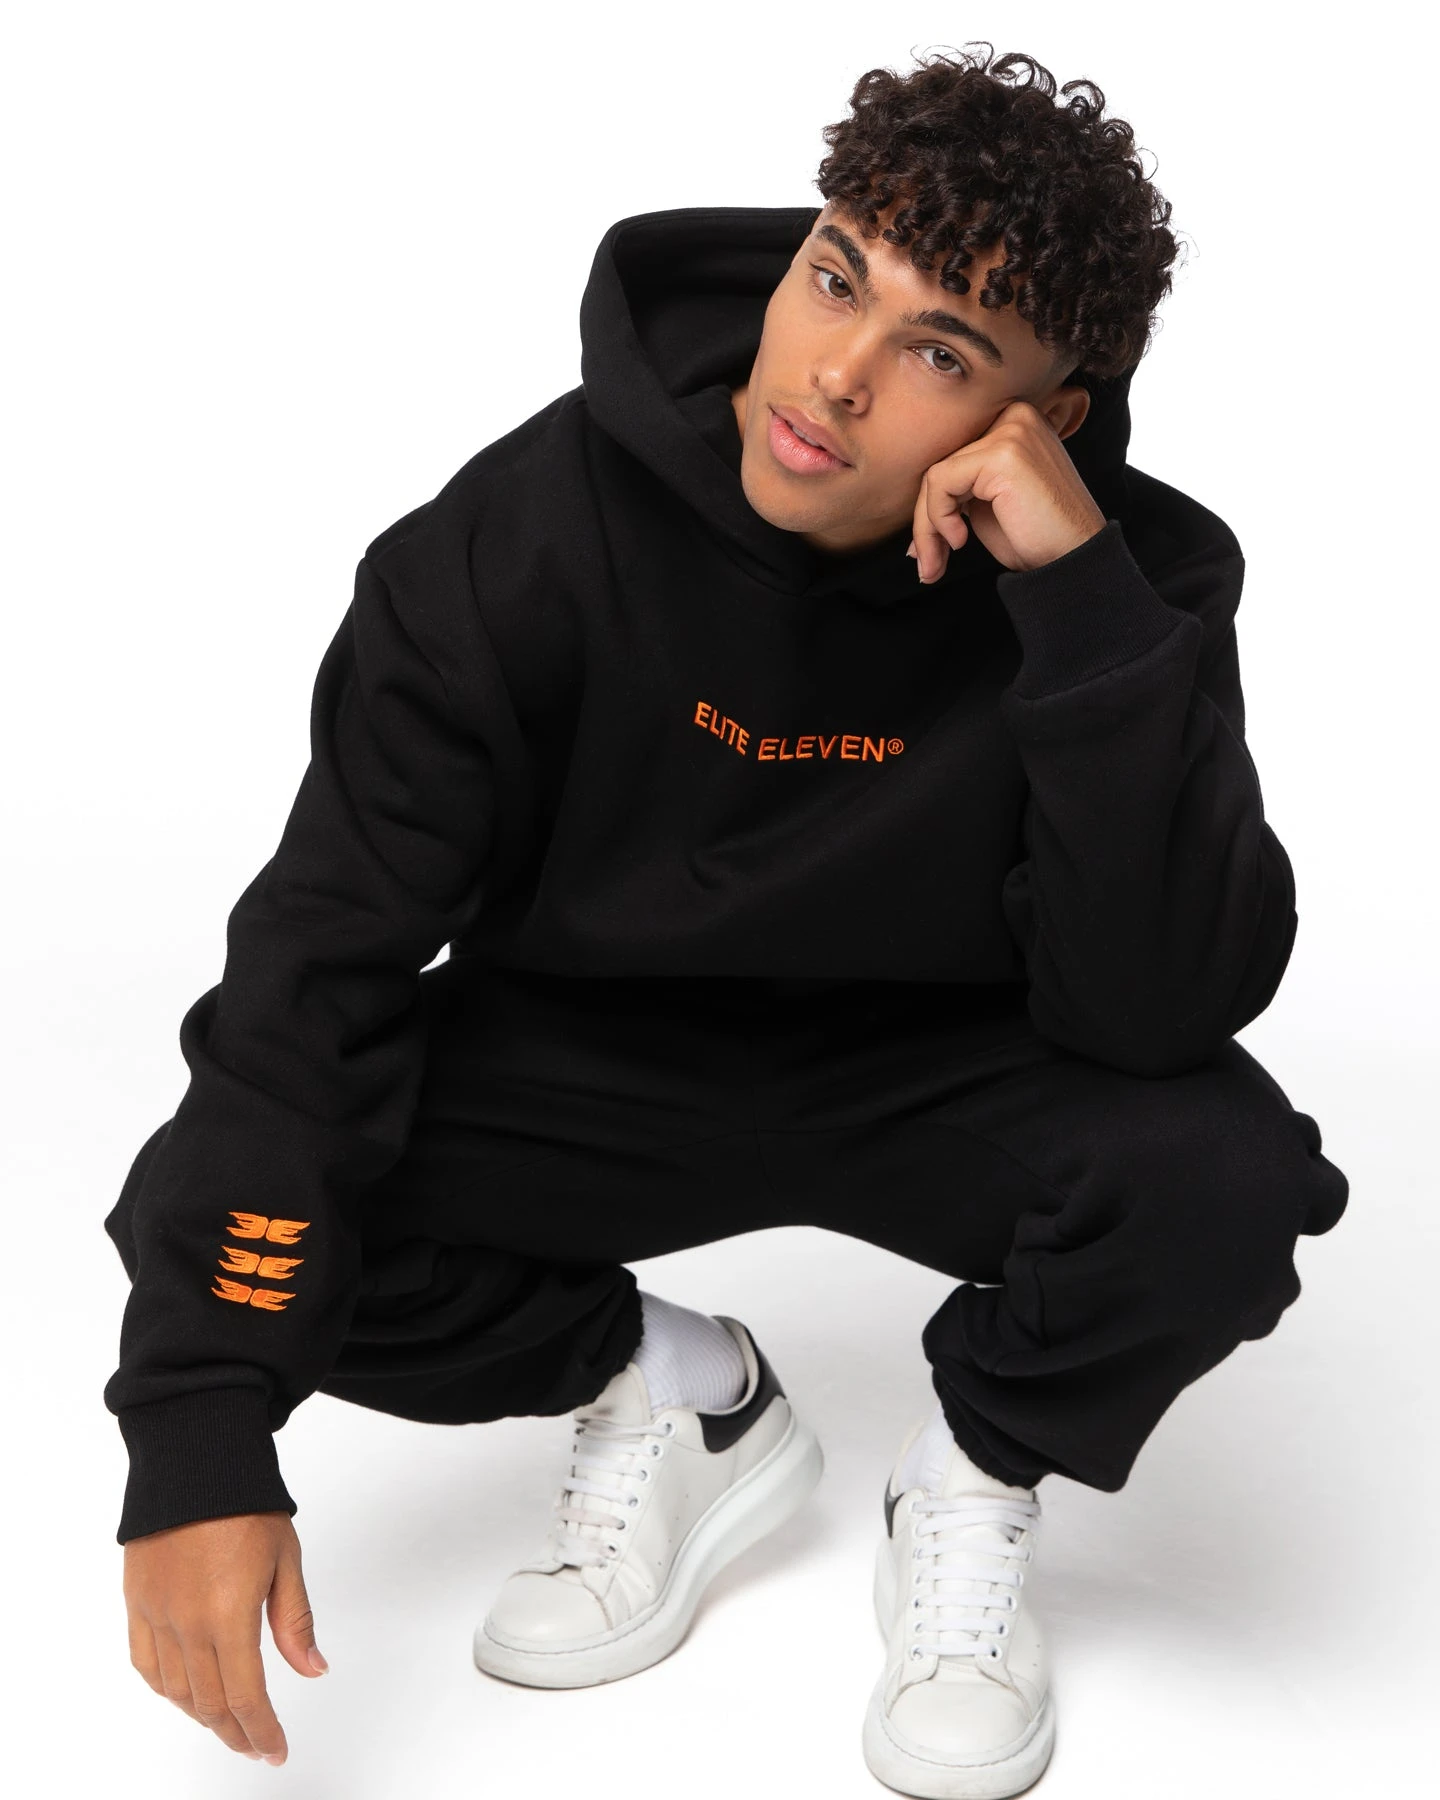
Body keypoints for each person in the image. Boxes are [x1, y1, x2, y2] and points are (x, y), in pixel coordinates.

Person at [104, 42, 1349, 1799]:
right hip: (595, 1059)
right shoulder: (514, 543)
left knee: (1223, 1188)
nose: (837, 374)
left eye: (940, 353)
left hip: (952, 1073)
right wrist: (199, 1430)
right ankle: (682, 1392)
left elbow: (1162, 1009)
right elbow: (319, 970)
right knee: (249, 1202)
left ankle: (971, 1474)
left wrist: (1080, 612)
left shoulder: (1131, 587)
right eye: (836, 278)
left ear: (1044, 422)